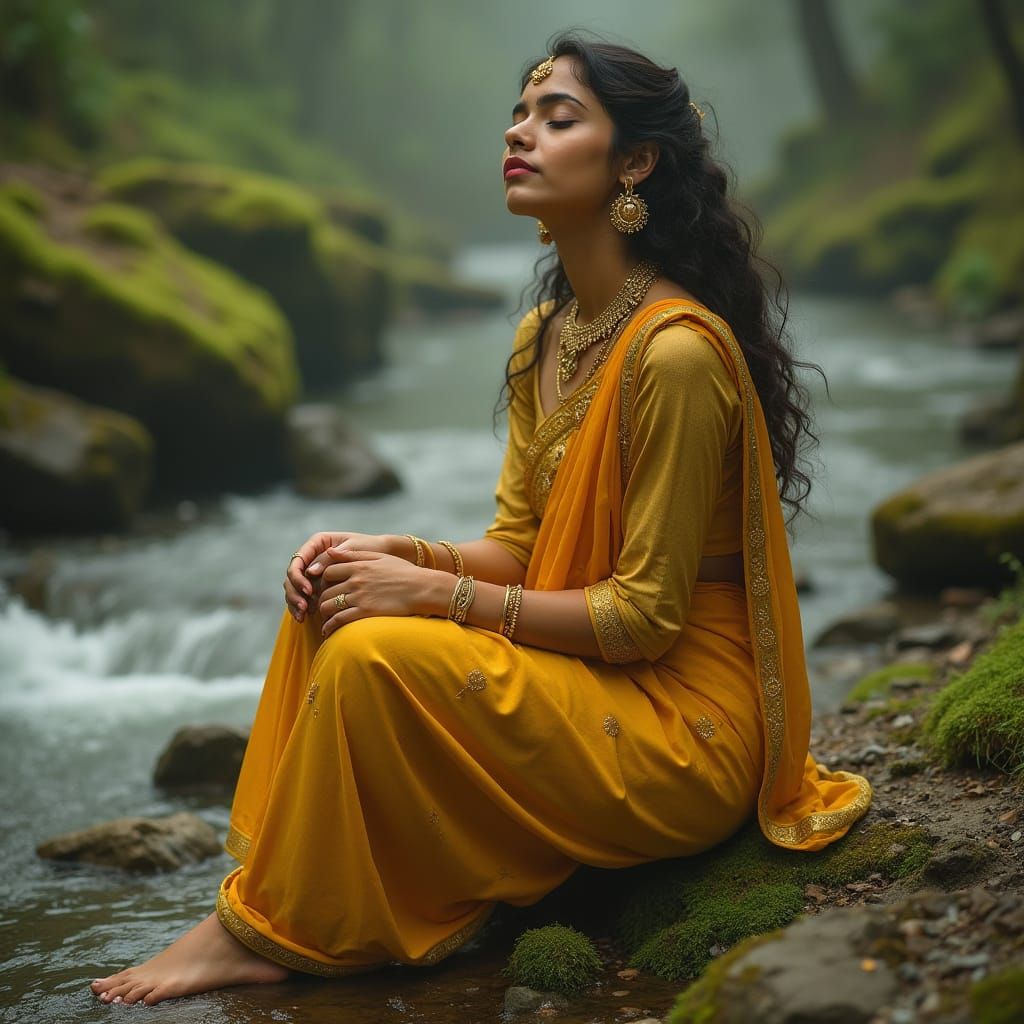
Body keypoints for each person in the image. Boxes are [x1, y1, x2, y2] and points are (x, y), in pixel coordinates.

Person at [90, 33, 871, 1007]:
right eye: (520, 111)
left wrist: (431, 594)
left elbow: (642, 619)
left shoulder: (672, 357)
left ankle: (266, 930)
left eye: (558, 116)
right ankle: (293, 905)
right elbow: (517, 549)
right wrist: (385, 553)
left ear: (634, 163)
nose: (520, 130)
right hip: (594, 685)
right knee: (336, 602)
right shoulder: (546, 335)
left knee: (378, 656)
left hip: (688, 728)